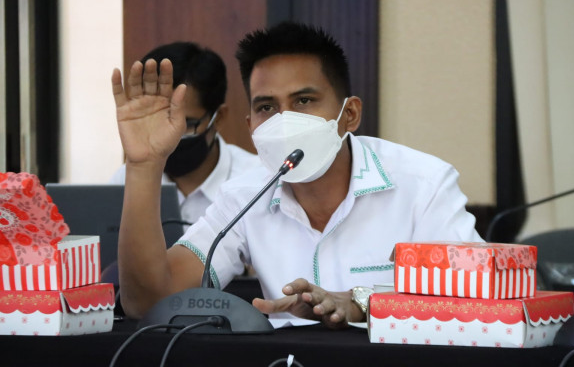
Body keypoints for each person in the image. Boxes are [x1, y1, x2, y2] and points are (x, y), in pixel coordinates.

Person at [111, 22, 483, 329]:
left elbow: (479, 300)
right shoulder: (244, 196)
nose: (285, 121)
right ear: (251, 127)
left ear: (349, 115)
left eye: (303, 101)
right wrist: (145, 165)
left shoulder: (424, 184)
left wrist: (362, 303)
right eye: (266, 107)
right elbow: (149, 302)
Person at [109, 42, 260, 225]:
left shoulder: (258, 182)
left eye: (187, 124)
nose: (171, 135)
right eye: (160, 122)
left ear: (218, 117)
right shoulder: (127, 180)